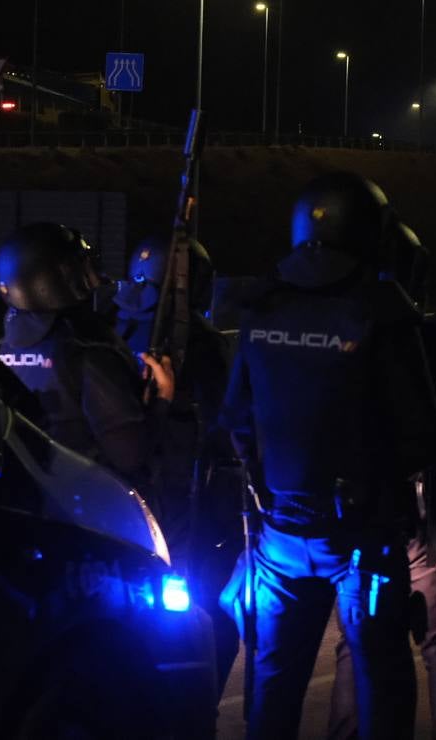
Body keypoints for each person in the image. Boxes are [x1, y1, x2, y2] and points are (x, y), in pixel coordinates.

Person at [219, 173, 436, 740]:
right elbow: (425, 433)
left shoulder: (263, 304)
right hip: (363, 537)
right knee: (379, 674)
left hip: (278, 535)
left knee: (273, 680)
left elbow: (234, 417)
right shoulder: (382, 311)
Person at [328, 218, 436, 740]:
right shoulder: (424, 338)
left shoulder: (322, 331)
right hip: (420, 519)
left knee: (358, 641)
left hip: (352, 516)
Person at [113, 235, 242, 695]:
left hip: (122, 505)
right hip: (188, 509)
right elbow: (228, 421)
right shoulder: (203, 347)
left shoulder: (109, 331)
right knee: (207, 626)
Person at [0, 222, 174, 496]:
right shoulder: (88, 351)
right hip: (84, 509)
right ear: (60, 276)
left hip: (22, 500)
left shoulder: (0, 352)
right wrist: (163, 398)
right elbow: (130, 456)